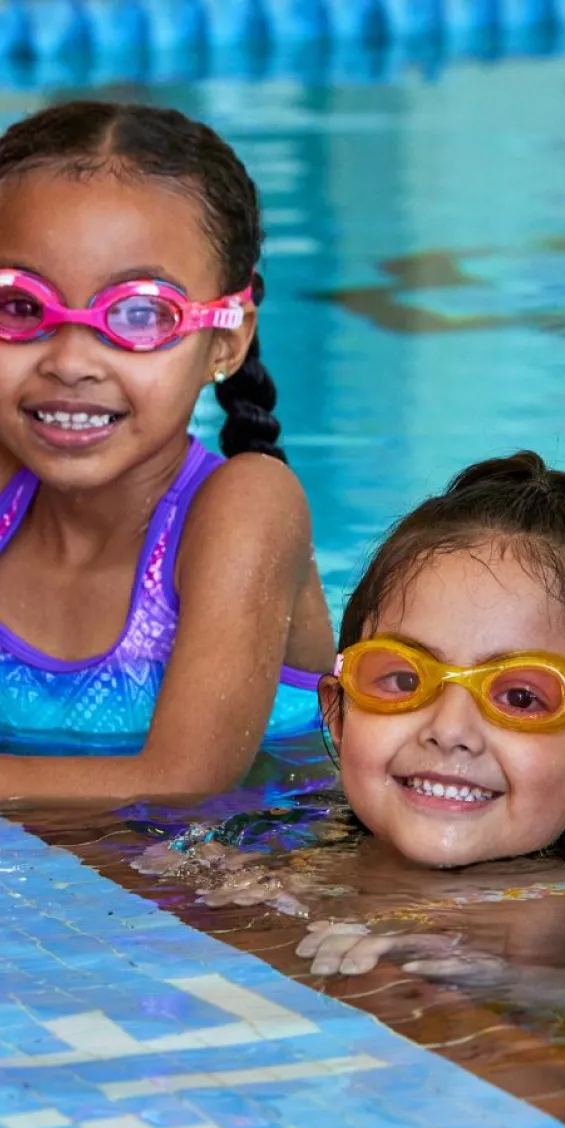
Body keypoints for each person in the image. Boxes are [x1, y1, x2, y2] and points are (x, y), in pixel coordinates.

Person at [137, 450, 565, 968]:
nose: (449, 729)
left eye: (521, 697)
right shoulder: (307, 845)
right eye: (404, 679)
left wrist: (458, 961)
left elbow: (556, 993)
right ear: (338, 715)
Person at [0, 100, 335, 801]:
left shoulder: (246, 507)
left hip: (248, 858)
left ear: (224, 342)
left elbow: (183, 782)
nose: (70, 362)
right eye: (20, 306)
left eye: (140, 315)